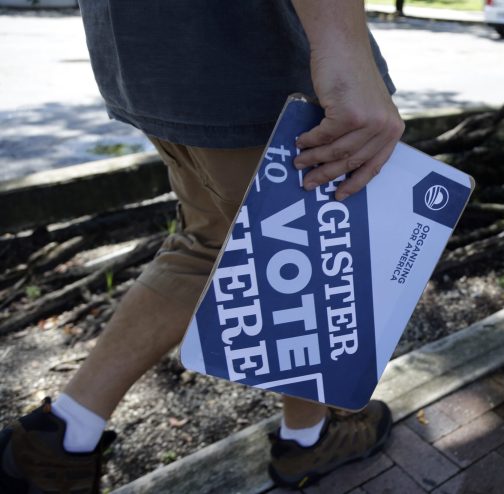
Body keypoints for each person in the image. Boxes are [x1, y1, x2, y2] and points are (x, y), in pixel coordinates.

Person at [0, 1, 404, 492]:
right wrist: (347, 56)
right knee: (308, 263)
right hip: (254, 58)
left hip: (153, 62)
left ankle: (59, 439)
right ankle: (307, 442)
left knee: (212, 244)